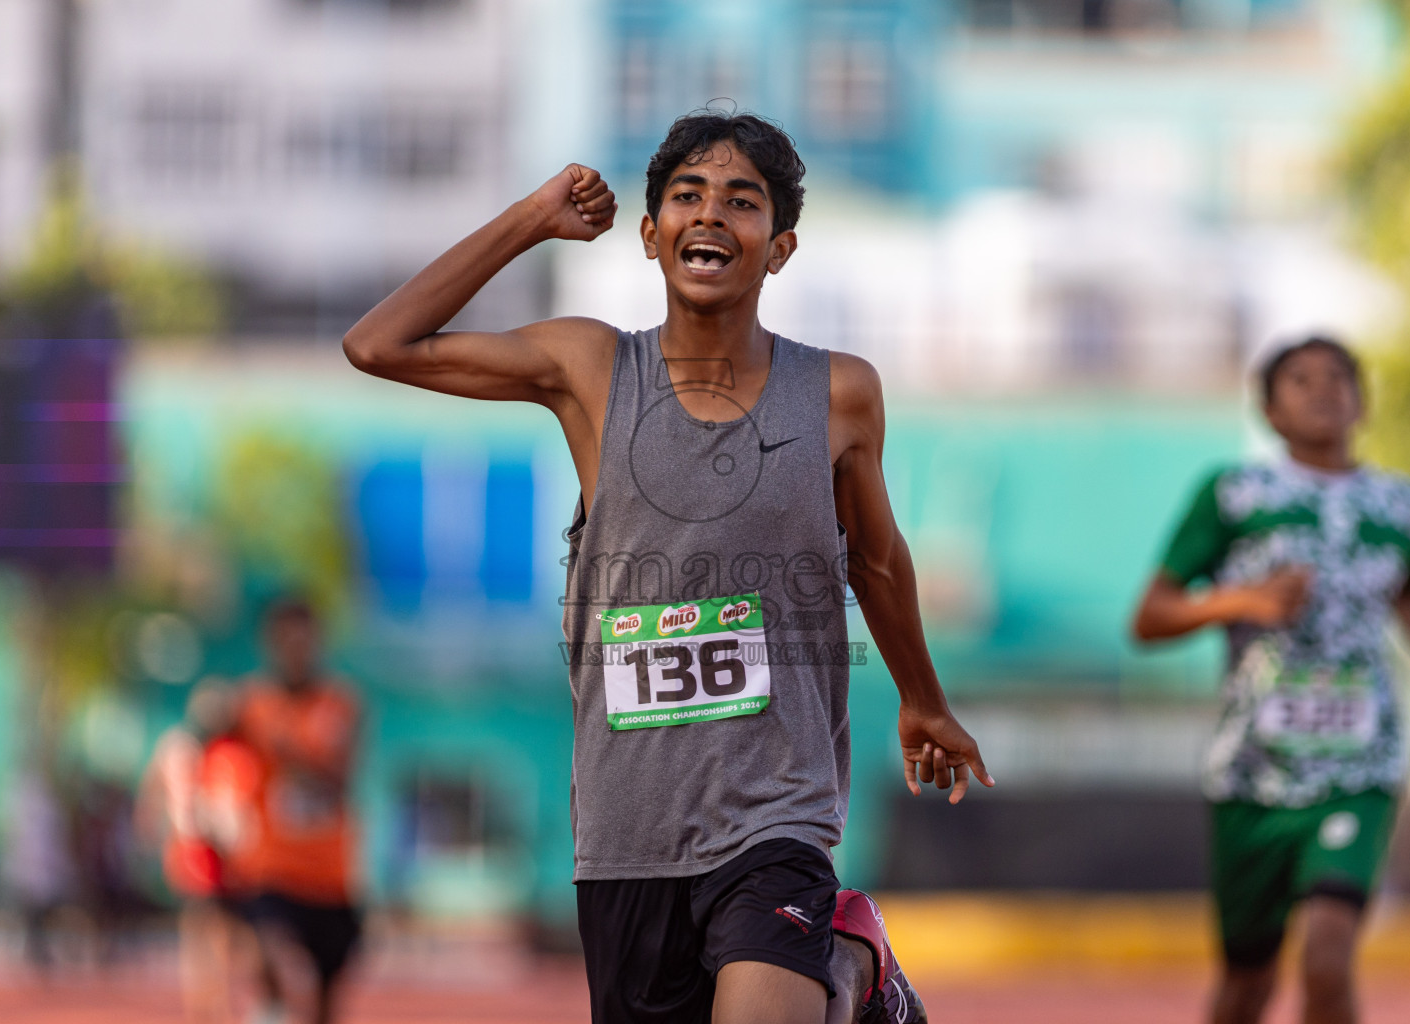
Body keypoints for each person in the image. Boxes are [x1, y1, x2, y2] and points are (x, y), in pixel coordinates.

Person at [343, 109, 994, 1024]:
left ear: (782, 246)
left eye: (742, 202)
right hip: (627, 831)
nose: (711, 216)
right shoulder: (591, 368)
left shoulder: (840, 392)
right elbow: (379, 345)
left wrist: (924, 699)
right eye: (686, 197)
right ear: (649, 236)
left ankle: (842, 968)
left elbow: (878, 561)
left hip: (777, 810)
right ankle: (848, 966)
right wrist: (533, 217)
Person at [1130, 335, 1410, 1024]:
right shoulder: (1236, 493)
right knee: (1245, 985)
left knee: (1327, 957)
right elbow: (1150, 616)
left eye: (1340, 376)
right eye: (1300, 379)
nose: (1323, 389)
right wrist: (1241, 601)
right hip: (1254, 769)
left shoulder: (1403, 504)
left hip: (1361, 763)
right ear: (1271, 412)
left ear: (1362, 402)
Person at [235, 600, 362, 1024]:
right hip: (275, 870)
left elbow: (342, 779)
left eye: (303, 640)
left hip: (331, 877)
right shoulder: (251, 703)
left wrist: (290, 753)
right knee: (269, 950)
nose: (295, 650)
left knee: (325, 1004)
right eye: (285, 641)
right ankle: (269, 1014)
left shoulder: (340, 703)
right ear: (270, 645)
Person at [137, 681, 262, 1024]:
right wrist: (152, 823)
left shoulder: (225, 750)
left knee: (226, 932)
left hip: (221, 850)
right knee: (207, 928)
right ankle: (209, 1005)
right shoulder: (186, 748)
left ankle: (216, 1001)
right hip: (196, 850)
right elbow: (156, 788)